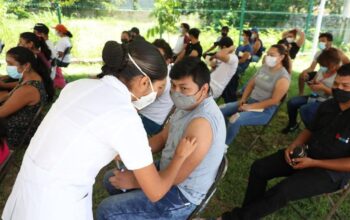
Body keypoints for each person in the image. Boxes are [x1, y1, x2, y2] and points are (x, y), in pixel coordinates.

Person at [2, 40, 197, 220]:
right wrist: (180, 156)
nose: (158, 94)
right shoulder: (126, 117)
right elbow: (155, 192)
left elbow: (81, 134)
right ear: (144, 82)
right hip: (56, 205)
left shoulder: (78, 86)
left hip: (27, 187)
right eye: (160, 88)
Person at [219, 63, 350, 220]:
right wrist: (294, 145)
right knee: (259, 168)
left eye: (346, 86)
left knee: (283, 190)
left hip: (331, 173)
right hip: (307, 155)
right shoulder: (329, 105)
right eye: (336, 84)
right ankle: (249, 216)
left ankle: (233, 218)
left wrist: (313, 163)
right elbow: (309, 130)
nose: (339, 89)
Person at [97, 57, 226, 220]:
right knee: (111, 179)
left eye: (184, 88)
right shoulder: (186, 105)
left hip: (182, 193)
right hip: (169, 169)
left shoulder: (202, 123)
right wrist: (132, 154)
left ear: (204, 89)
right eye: (174, 85)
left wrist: (135, 182)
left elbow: (180, 175)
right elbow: (163, 136)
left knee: (107, 210)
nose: (176, 92)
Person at [220, 44, 290, 145]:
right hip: (250, 102)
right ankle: (223, 133)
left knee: (235, 119)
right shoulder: (265, 67)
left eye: (272, 55)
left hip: (264, 110)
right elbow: (251, 84)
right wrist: (243, 99)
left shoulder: (283, 77)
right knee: (220, 110)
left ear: (282, 57)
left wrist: (250, 107)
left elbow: (274, 100)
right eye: (267, 54)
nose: (268, 57)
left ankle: (223, 146)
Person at [0, 46, 54, 148]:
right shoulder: (29, 78)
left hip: (13, 133)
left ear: (26, 65)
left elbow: (1, 113)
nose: (8, 67)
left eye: (11, 64)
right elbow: (9, 95)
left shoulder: (28, 89)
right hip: (15, 126)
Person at [282, 48, 341, 133]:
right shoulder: (323, 69)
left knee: (305, 109)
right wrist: (310, 81)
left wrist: (323, 88)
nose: (323, 67)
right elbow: (316, 79)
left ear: (333, 64)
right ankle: (293, 124)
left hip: (328, 101)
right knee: (292, 103)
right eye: (322, 65)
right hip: (315, 96)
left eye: (325, 65)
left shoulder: (341, 75)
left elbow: (339, 94)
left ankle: (314, 132)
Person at [139, 39, 174, 136]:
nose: (154, 59)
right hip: (149, 118)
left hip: (149, 120)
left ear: (168, 61)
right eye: (153, 55)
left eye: (159, 57)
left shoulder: (162, 78)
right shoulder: (165, 71)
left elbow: (138, 102)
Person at [221, 30, 253, 103]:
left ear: (247, 37)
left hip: (240, 67)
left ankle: (227, 92)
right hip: (235, 65)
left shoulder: (248, 48)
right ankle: (225, 91)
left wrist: (232, 62)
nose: (242, 36)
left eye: (243, 35)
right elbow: (234, 56)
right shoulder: (240, 46)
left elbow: (243, 60)